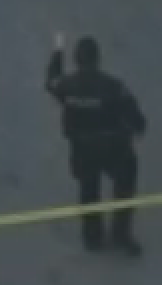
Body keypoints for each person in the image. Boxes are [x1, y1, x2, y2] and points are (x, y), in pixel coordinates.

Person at [45, 33, 147, 257]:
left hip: (83, 149)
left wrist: (57, 52)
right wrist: (137, 129)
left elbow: (51, 81)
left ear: (77, 60)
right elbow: (134, 116)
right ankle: (121, 233)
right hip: (114, 149)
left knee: (89, 192)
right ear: (97, 59)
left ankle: (92, 236)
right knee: (124, 189)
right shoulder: (113, 87)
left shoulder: (67, 86)